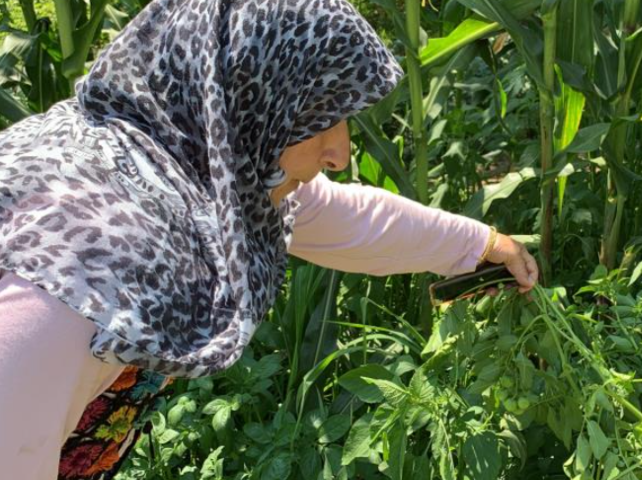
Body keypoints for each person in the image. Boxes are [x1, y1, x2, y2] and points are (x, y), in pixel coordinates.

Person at [0, 0, 539, 478]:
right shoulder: (85, 271)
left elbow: (334, 213)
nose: (340, 154)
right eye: (318, 118)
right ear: (243, 100)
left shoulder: (164, 157)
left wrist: (482, 244)